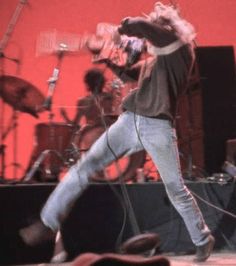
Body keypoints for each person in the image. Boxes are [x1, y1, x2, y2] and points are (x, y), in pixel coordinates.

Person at [19, 2, 215, 262]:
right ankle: (47, 223)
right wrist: (107, 58)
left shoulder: (179, 50)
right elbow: (128, 73)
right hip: (129, 121)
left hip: (157, 126)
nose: (147, 42)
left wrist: (119, 30)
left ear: (166, 30)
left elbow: (142, 26)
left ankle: (202, 238)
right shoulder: (155, 61)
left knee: (174, 187)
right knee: (85, 166)